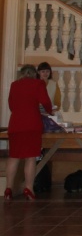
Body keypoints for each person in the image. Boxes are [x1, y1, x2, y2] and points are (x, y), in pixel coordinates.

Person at [5, 64, 52, 201]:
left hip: (15, 125)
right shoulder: (38, 84)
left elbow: (11, 105)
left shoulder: (14, 85)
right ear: (34, 74)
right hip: (32, 125)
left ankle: (8, 188)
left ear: (21, 74)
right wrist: (50, 111)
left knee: (14, 156)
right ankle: (29, 188)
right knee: (30, 157)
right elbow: (45, 102)